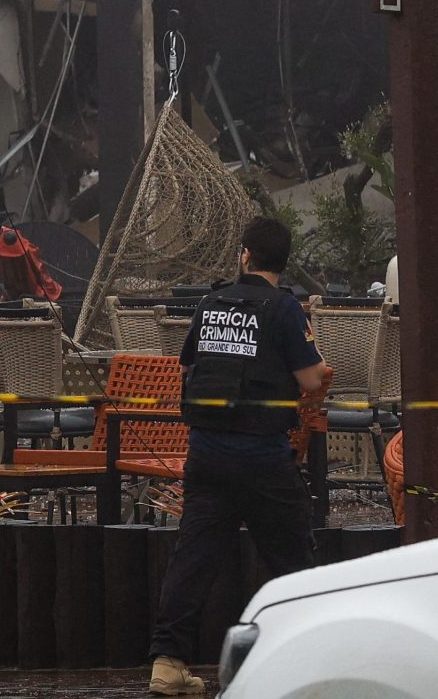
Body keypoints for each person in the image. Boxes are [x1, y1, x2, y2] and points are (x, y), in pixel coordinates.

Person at [147, 217, 331, 696]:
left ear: (245, 254)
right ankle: (313, 661)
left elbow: (188, 365)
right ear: (281, 260)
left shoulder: (211, 304)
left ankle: (167, 664)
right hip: (264, 457)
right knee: (291, 559)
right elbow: (311, 380)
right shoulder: (286, 309)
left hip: (207, 453)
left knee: (194, 559)